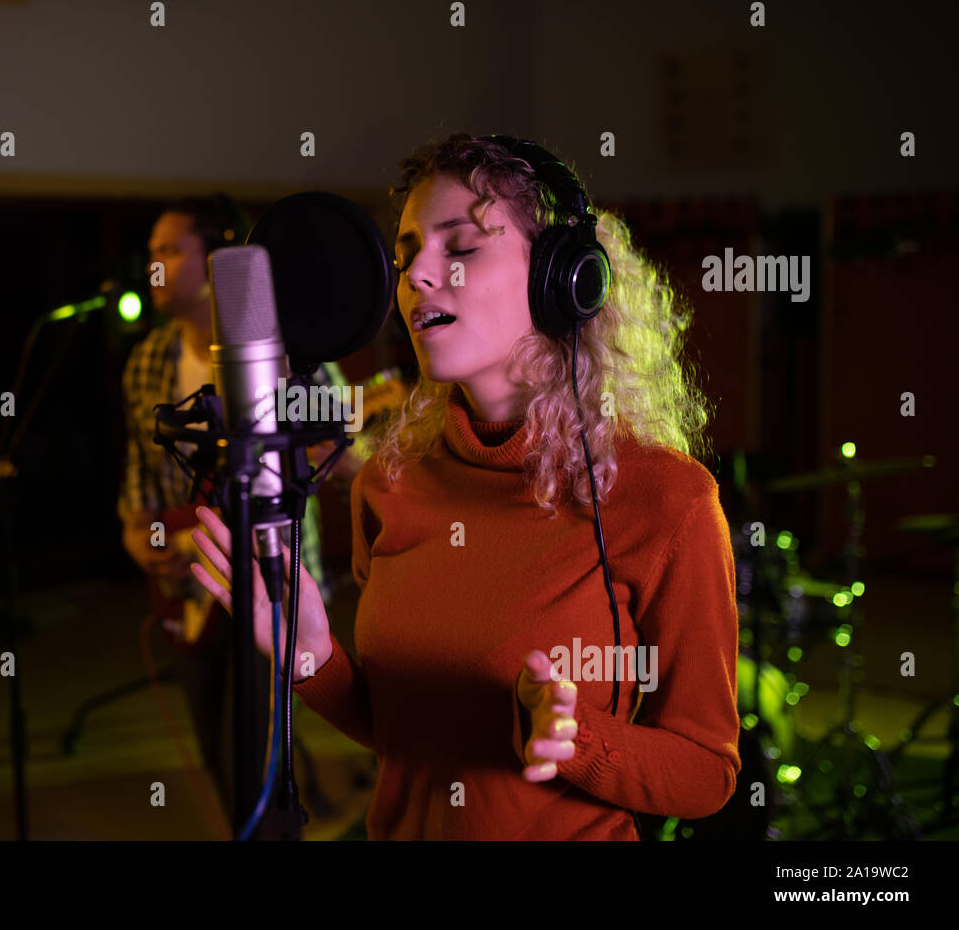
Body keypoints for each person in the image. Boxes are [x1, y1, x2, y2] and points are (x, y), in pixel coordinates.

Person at [187, 134, 740, 840]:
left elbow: (706, 773)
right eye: (408, 251)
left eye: (460, 247)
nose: (415, 274)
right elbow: (407, 737)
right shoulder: (389, 483)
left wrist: (577, 743)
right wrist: (312, 656)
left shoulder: (667, 500)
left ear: (562, 277)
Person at [117, 194, 360, 827]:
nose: (156, 266)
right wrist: (139, 537)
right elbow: (142, 474)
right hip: (190, 590)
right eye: (151, 255)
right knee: (218, 761)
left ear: (217, 257)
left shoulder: (297, 355)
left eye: (170, 251)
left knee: (255, 759)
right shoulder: (148, 360)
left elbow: (339, 452)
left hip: (272, 584)